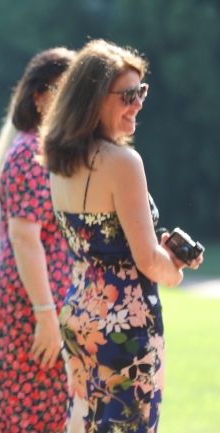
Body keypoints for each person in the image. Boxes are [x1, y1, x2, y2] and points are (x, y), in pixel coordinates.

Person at [42, 39, 203, 432]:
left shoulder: (58, 159)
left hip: (79, 311)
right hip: (124, 324)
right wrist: (176, 268)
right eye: (128, 95)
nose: (138, 103)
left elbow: (103, 242)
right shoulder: (123, 162)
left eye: (141, 92)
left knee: (83, 421)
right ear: (94, 98)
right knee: (129, 425)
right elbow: (148, 260)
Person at [0, 47, 76, 433]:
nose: (73, 101)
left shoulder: (48, 149)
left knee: (52, 413)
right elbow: (24, 237)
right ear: (38, 96)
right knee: (26, 417)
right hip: (31, 309)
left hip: (43, 305)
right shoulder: (29, 151)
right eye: (63, 90)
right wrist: (46, 314)